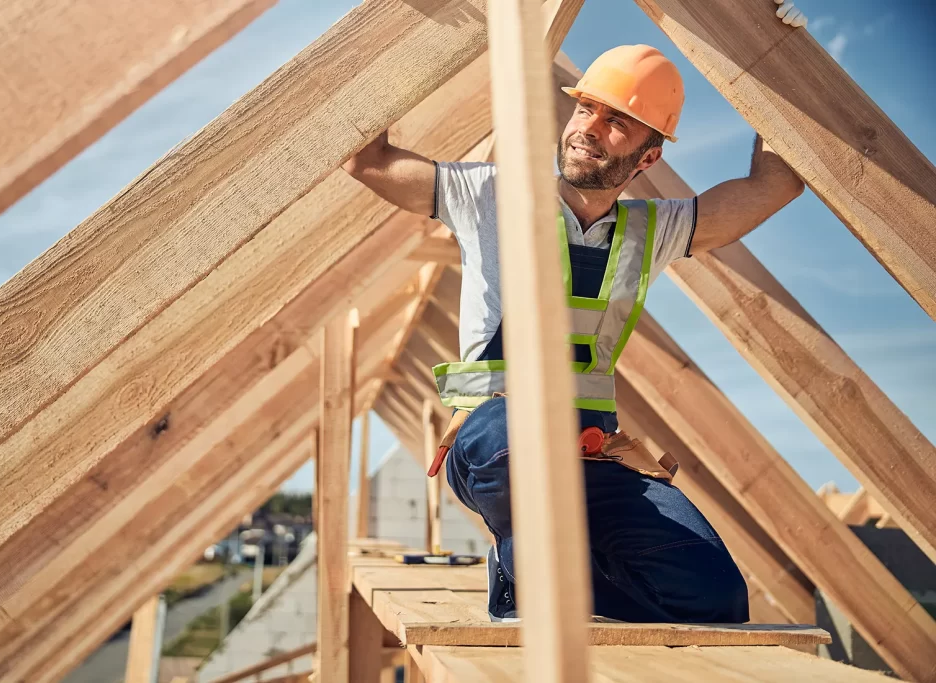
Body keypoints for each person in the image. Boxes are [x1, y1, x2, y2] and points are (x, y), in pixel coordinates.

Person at [342, 39, 805, 624]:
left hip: (592, 453)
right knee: (520, 442)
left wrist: (773, 60)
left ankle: (550, 578)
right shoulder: (487, 194)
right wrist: (419, 29)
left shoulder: (654, 231)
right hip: (494, 442)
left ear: (648, 158)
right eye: (586, 108)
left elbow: (776, 185)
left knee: (714, 597)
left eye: (617, 122)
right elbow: (366, 158)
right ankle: (529, 574)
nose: (589, 128)